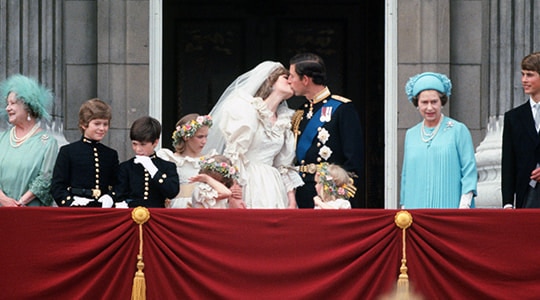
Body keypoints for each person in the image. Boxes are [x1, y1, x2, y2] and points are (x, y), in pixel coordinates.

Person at [204, 61, 303, 209]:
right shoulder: (246, 110)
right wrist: (234, 189)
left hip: (273, 185)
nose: (290, 80)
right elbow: (234, 154)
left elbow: (284, 165)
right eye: (285, 77)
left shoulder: (285, 119)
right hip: (247, 181)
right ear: (270, 81)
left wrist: (291, 199)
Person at [288, 53, 364, 208]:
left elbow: (353, 159)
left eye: (292, 76)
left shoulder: (342, 108)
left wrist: (340, 194)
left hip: (330, 194)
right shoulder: (300, 113)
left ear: (305, 80)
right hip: (302, 191)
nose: (289, 81)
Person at [401, 72, 477, 208]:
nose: (429, 107)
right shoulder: (411, 134)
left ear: (442, 102)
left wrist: (465, 203)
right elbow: (406, 176)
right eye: (424, 102)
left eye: (434, 102)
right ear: (417, 104)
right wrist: (404, 207)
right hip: (416, 208)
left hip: (450, 208)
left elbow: (469, 170)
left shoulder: (458, 130)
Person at [0, 74, 58, 207]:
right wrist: (3, 200)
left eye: (13, 103)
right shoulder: (1, 139)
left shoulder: (48, 143)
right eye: (7, 104)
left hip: (30, 212)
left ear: (28, 107)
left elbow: (45, 179)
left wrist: (20, 203)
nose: (7, 108)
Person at [51, 98, 119, 207]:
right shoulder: (68, 152)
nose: (102, 128)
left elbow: (117, 184)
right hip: (77, 211)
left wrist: (110, 197)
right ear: (84, 124)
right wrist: (71, 202)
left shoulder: (110, 154)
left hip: (103, 210)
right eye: (97, 124)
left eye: (105, 124)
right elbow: (57, 186)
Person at [502, 52, 540, 209]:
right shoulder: (513, 117)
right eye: (523, 74)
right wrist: (508, 203)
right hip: (526, 197)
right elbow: (508, 163)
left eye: (530, 75)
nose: (524, 80)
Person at [115, 116, 179, 208]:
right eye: (134, 144)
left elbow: (172, 192)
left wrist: (154, 171)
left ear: (155, 142)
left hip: (157, 216)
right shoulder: (126, 167)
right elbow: (119, 194)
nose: (138, 149)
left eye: (143, 144)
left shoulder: (167, 166)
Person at [157, 113, 218, 208]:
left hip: (202, 208)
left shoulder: (209, 160)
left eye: (206, 136)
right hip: (178, 207)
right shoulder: (171, 159)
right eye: (200, 137)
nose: (204, 141)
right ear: (186, 137)